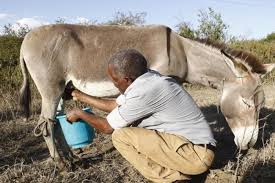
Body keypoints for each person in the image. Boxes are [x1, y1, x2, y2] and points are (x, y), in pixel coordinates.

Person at [66, 49, 216, 183]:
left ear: (127, 80)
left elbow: (107, 127)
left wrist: (80, 113)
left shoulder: (145, 91)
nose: (115, 85)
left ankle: (173, 179)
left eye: (115, 81)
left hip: (195, 156)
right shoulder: (147, 78)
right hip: (193, 149)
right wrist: (80, 96)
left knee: (121, 136)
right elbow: (114, 106)